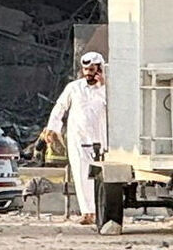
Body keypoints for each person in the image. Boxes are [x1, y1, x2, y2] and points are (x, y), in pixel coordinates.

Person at [41, 51, 108, 225]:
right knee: (80, 174)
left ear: (99, 69)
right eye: (86, 70)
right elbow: (60, 107)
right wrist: (52, 128)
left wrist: (103, 86)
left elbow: (115, 107)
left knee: (102, 177)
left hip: (101, 139)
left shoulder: (108, 90)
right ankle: (87, 212)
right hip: (78, 138)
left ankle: (101, 211)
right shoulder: (74, 87)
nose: (88, 73)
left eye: (92, 69)